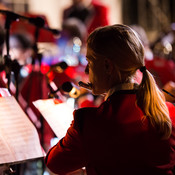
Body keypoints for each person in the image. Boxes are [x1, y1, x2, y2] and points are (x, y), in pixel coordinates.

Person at [45, 24, 175, 175]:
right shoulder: (170, 112)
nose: (87, 70)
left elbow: (54, 163)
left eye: (90, 62)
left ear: (107, 66)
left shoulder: (89, 121)